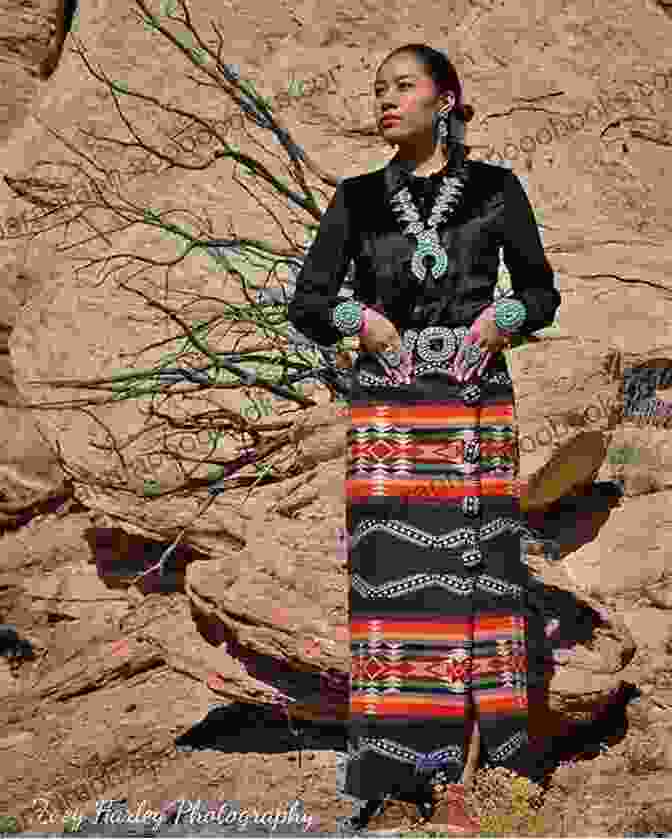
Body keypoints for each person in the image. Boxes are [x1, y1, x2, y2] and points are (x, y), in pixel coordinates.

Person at [287, 43, 561, 834]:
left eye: (403, 87)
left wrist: (501, 319)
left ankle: (496, 767)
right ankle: (399, 777)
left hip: (475, 407)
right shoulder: (357, 199)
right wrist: (360, 321)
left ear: (445, 100)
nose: (386, 100)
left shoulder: (497, 191)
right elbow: (308, 302)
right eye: (378, 90)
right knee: (392, 588)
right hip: (387, 420)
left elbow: (540, 290)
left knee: (483, 581)